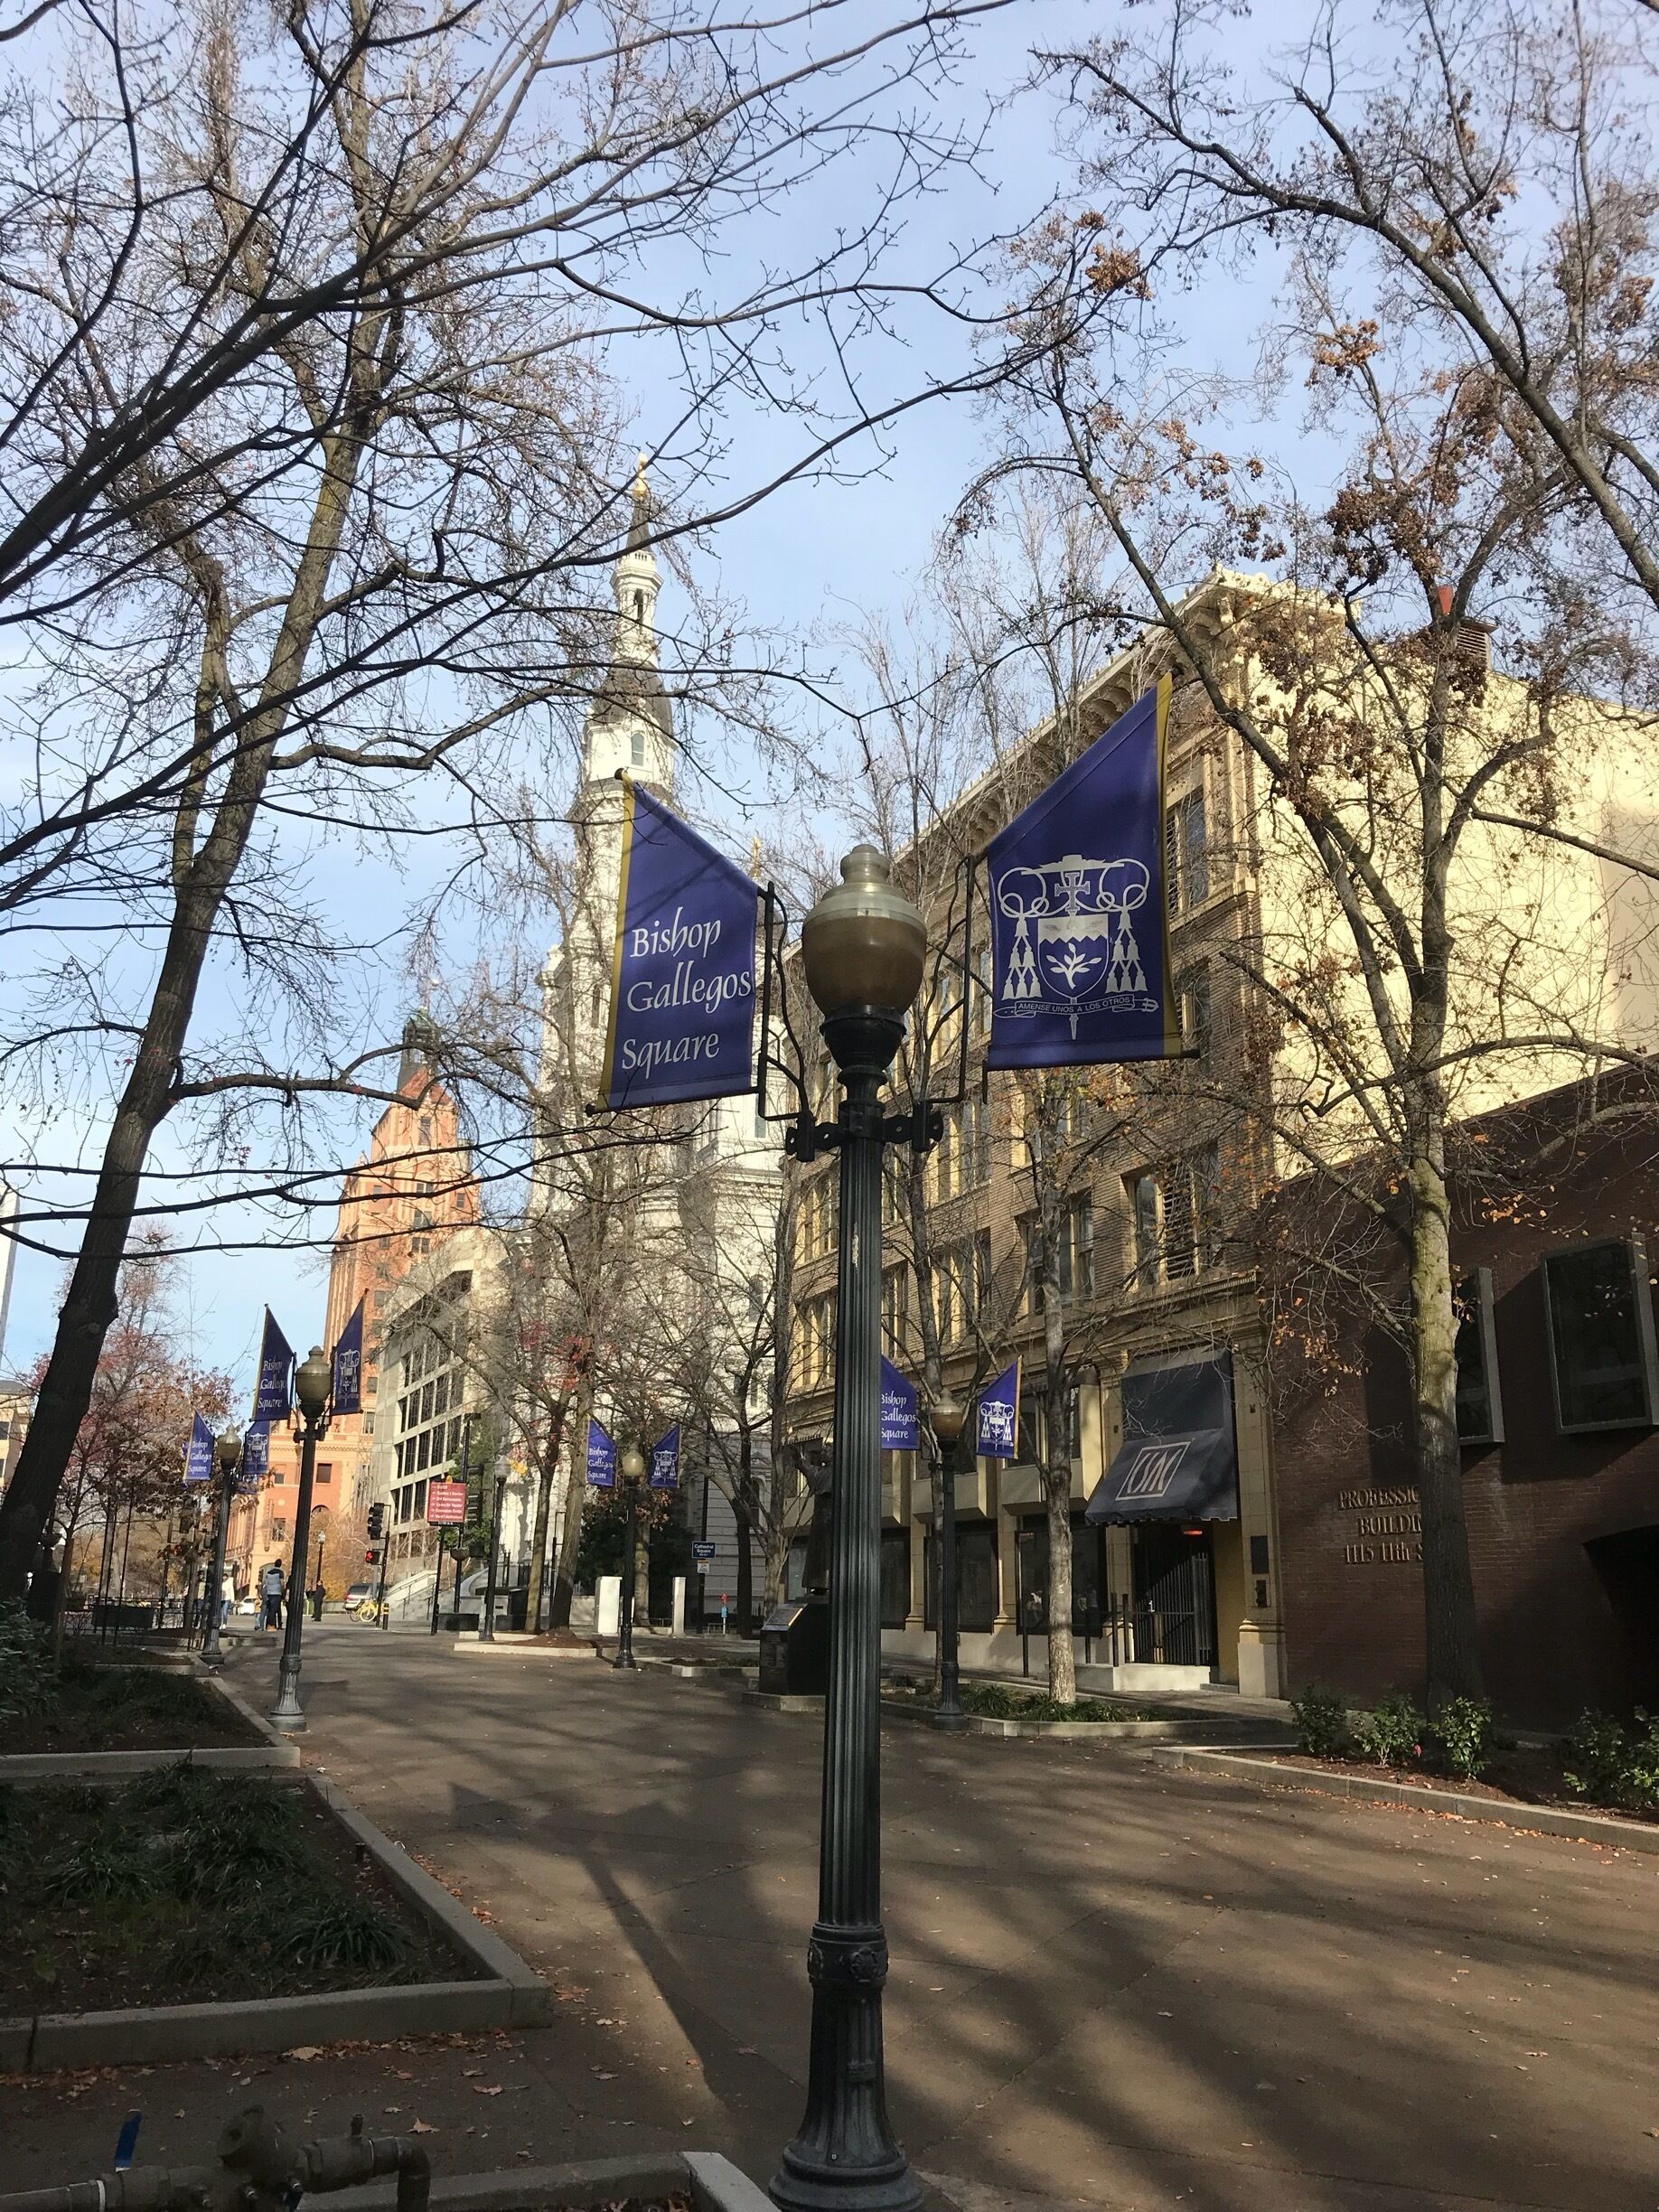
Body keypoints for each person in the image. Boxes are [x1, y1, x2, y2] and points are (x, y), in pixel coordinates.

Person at [259, 1559, 285, 1630]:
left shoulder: (269, 1572)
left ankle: (270, 1624)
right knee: (274, 1610)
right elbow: (282, 1583)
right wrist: (283, 1591)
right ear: (280, 1565)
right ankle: (272, 1625)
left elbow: (265, 1582)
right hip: (277, 1592)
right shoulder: (280, 1573)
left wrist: (262, 1591)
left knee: (270, 1609)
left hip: (269, 1592)